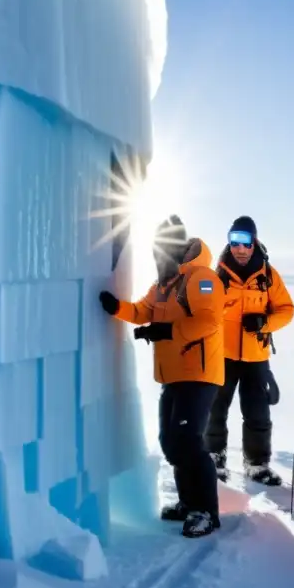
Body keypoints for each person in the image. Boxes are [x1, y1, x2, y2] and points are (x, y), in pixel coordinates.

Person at [98, 215, 226, 539]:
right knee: (170, 442)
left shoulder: (202, 278)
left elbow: (209, 321)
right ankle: (187, 503)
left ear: (181, 246)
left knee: (188, 441)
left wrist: (166, 330)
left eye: (167, 245)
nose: (161, 252)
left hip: (198, 374)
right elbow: (143, 311)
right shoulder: (163, 285)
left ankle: (206, 511)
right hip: (172, 376)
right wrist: (117, 308)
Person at [204, 216, 294, 485]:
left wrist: (264, 322)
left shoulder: (268, 275)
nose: (239, 248)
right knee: (215, 409)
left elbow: (286, 310)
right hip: (221, 355)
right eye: (234, 241)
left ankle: (256, 465)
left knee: (257, 413)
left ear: (253, 242)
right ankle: (214, 459)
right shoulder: (216, 275)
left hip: (256, 357)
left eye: (245, 241)